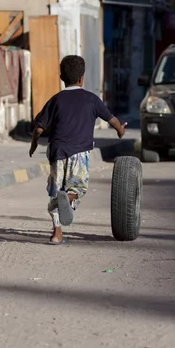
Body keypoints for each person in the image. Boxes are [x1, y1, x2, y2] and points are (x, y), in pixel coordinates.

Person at [29, 55, 127, 245]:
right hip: (80, 152)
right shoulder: (91, 99)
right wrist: (121, 130)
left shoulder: (56, 100)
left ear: (61, 77)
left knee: (56, 192)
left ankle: (57, 234)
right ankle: (71, 196)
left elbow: (39, 128)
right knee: (78, 187)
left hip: (57, 153)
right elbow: (111, 119)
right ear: (82, 78)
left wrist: (33, 144)